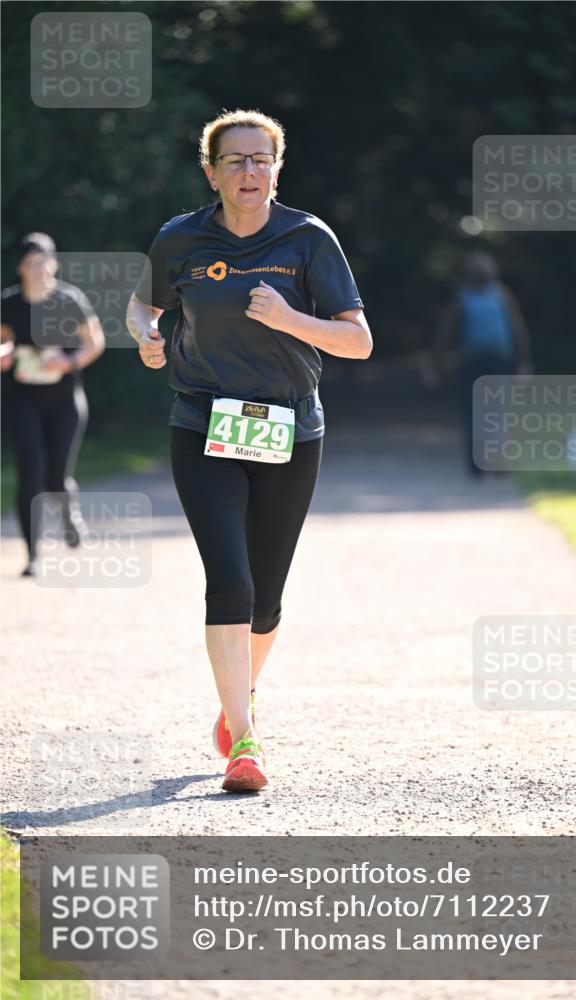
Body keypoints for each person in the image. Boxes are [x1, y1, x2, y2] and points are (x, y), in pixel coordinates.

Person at [127, 109, 372, 793]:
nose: (249, 172)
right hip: (201, 424)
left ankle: (237, 700)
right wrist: (147, 334)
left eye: (261, 159)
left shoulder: (306, 239)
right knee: (228, 579)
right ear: (211, 171)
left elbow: (358, 341)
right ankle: (245, 740)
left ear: (277, 167)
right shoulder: (180, 238)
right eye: (234, 160)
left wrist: (290, 319)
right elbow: (142, 305)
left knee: (265, 597)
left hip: (289, 429)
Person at [1, 233, 105, 575]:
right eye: (31, 263)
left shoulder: (68, 299)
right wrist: (5, 355)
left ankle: (67, 513)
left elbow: (94, 342)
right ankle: (32, 555)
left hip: (64, 399)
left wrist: (68, 361)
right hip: (21, 398)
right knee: (31, 470)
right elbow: (3, 344)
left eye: (44, 262)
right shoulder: (9, 304)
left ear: (55, 264)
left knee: (56, 477)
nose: (39, 270)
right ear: (20, 268)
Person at [433, 252, 532, 476]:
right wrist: (524, 362)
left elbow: (446, 331)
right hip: (489, 361)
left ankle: (481, 466)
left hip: (481, 362)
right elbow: (518, 331)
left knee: (479, 414)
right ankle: (493, 465)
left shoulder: (471, 296)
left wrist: (437, 363)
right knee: (493, 413)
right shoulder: (497, 294)